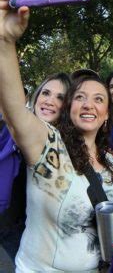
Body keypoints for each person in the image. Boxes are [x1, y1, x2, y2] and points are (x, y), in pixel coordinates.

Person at [0, 0, 113, 272]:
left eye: (99, 98)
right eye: (79, 97)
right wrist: (4, 39)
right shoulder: (48, 149)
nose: (89, 104)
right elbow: (14, 107)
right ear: (69, 109)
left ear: (107, 116)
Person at [0, 72, 71, 261]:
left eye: (60, 97)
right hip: (8, 228)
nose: (49, 101)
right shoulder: (9, 131)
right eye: (46, 93)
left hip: (47, 241)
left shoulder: (70, 145)